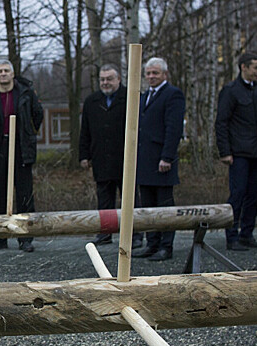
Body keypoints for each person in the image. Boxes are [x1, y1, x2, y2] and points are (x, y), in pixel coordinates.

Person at [0, 59, 44, 253]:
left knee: (24, 194)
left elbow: (37, 115)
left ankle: (25, 238)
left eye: (6, 70)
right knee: (0, 194)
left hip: (21, 147)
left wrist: (28, 133)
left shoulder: (25, 93)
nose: (3, 74)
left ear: (13, 73)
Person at [79, 64, 143, 248]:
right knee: (105, 199)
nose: (105, 82)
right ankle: (105, 234)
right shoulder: (92, 101)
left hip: (126, 158)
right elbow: (85, 131)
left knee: (130, 199)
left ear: (119, 79)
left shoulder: (131, 97)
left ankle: (135, 235)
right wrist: (84, 155)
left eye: (109, 79)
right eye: (102, 79)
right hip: (101, 158)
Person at [132, 57, 185, 262]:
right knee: (147, 206)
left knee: (164, 205)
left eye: (155, 73)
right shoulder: (144, 96)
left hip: (162, 160)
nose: (151, 76)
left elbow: (174, 129)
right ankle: (152, 243)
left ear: (165, 74)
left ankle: (166, 246)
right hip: (145, 161)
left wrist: (167, 157)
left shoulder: (173, 95)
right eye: (148, 73)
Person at [215, 52, 257, 251]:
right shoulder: (231, 91)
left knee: (254, 194)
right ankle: (232, 235)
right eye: (256, 68)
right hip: (238, 153)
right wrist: (225, 151)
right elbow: (222, 123)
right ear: (243, 67)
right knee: (238, 194)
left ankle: (247, 233)